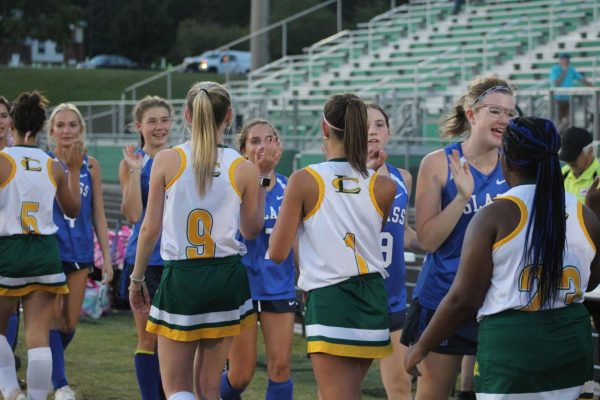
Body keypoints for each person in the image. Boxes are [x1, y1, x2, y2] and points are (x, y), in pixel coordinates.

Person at [405, 116, 600, 399]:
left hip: (512, 352)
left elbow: (464, 300)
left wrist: (421, 346)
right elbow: (591, 281)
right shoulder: (584, 214)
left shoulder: (494, 215)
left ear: (506, 160)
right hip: (571, 348)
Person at [129, 81, 280, 400]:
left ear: (186, 114)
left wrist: (136, 278)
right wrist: (263, 184)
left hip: (183, 276)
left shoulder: (167, 160)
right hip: (226, 277)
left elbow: (149, 229)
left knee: (176, 388)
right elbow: (252, 230)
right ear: (229, 117)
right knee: (209, 388)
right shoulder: (244, 168)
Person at [269, 93, 397, 400]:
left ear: (325, 130)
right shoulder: (384, 185)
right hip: (373, 298)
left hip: (331, 297)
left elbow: (276, 252)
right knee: (338, 392)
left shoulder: (304, 179)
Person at [400, 75, 516, 399]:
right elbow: (429, 241)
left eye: (510, 113)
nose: (504, 120)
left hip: (496, 301)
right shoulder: (438, 163)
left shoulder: (513, 166)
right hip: (444, 299)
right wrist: (462, 198)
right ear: (471, 113)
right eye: (495, 111)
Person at [0, 91, 81, 400]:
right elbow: (72, 209)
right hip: (45, 253)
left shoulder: (4, 161)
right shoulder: (53, 166)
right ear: (42, 126)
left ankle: (9, 389)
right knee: (38, 336)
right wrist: (73, 169)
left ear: (13, 126)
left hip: (9, 250)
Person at [221, 119, 295, 400]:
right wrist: (261, 178)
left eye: (270, 139)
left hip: (279, 285)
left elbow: (297, 238)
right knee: (240, 375)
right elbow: (248, 231)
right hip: (243, 288)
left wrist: (305, 281)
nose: (263, 146)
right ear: (243, 151)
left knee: (280, 367)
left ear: (279, 146)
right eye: (255, 141)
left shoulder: (291, 187)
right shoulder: (234, 185)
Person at [46, 102, 114, 400]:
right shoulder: (45, 163)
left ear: (81, 130)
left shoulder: (92, 165)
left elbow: (98, 213)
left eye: (72, 124)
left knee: (69, 322)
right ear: (51, 131)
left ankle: (48, 367)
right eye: (60, 125)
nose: (66, 130)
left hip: (82, 251)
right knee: (49, 318)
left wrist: (107, 258)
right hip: (51, 251)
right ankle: (60, 383)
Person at [365, 102, 420, 400]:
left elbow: (403, 232)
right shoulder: (344, 175)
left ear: (389, 131)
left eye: (379, 125)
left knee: (400, 387)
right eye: (365, 125)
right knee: (338, 390)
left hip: (392, 295)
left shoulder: (402, 177)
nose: (373, 131)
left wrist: (433, 242)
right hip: (354, 294)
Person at [118, 95, 172, 400]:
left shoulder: (180, 157)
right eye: (152, 121)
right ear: (140, 126)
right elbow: (134, 215)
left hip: (176, 260)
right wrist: (137, 170)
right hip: (145, 260)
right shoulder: (133, 161)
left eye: (164, 120)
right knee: (148, 340)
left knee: (175, 339)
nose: (159, 127)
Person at [549, 53, 593, 130]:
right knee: (558, 119)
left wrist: (594, 88)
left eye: (567, 59)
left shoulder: (571, 69)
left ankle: (558, 134)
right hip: (557, 98)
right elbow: (556, 83)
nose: (567, 60)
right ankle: (557, 135)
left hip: (568, 98)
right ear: (560, 60)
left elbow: (582, 79)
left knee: (569, 119)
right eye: (564, 58)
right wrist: (564, 71)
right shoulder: (554, 69)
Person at [560, 126, 600, 203]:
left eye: (574, 157)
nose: (570, 162)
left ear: (590, 151)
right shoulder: (561, 174)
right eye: (567, 157)